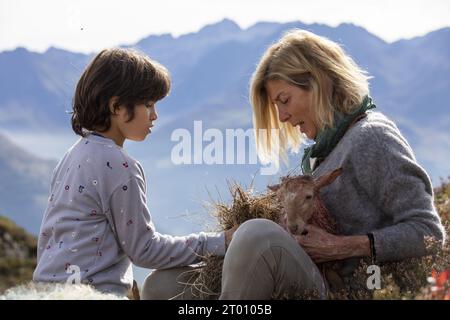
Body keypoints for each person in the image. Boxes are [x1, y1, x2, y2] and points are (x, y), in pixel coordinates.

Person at [142, 30, 446, 300]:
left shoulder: (372, 138)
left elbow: (428, 232)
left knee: (256, 236)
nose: (282, 117)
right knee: (163, 286)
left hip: (354, 287)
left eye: (284, 100)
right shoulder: (323, 150)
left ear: (318, 83)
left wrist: (342, 246)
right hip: (313, 271)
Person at [33, 48, 236, 297]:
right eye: (148, 104)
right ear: (117, 106)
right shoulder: (119, 166)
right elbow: (145, 249)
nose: (155, 115)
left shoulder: (71, 156)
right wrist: (218, 242)